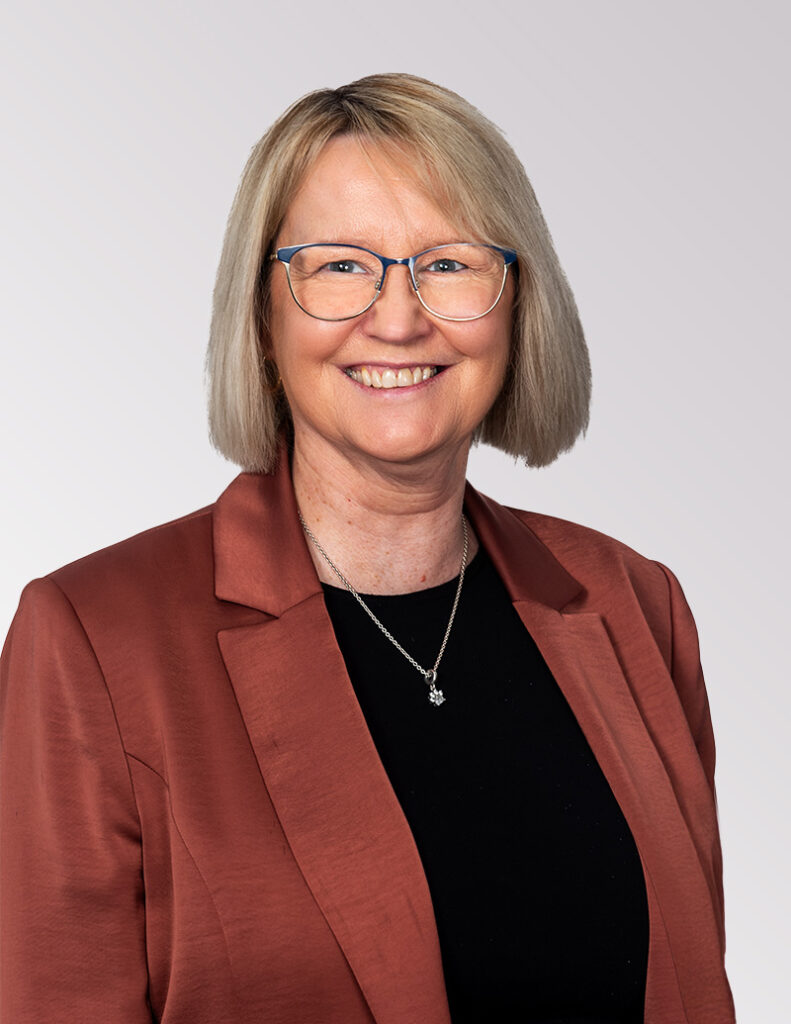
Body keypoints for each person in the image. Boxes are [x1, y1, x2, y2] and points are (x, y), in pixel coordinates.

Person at [0, 73, 734, 1024]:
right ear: (263, 319)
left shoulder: (633, 604)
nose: (397, 317)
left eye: (449, 263)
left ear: (516, 306)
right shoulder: (94, 641)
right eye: (340, 265)